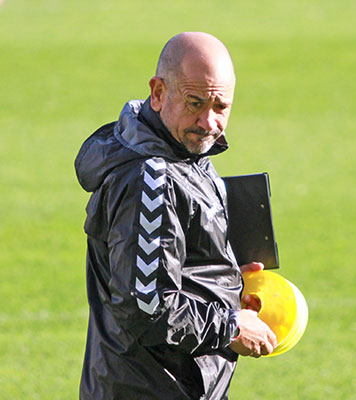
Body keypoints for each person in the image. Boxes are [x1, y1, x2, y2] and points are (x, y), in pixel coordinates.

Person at [75, 32, 277, 400]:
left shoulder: (183, 153)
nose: (209, 122)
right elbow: (145, 305)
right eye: (195, 103)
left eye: (221, 107)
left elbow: (178, 268)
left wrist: (228, 284)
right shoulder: (149, 179)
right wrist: (230, 326)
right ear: (157, 93)